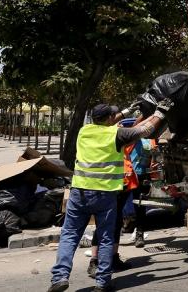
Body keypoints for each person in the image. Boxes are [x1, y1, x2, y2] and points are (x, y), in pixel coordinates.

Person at [48, 100, 171, 292]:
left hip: (78, 193)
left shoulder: (84, 131)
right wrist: (161, 112)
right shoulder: (117, 134)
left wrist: (126, 111)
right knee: (106, 237)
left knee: (69, 235)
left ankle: (60, 277)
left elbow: (108, 121)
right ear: (110, 119)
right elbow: (145, 130)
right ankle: (102, 282)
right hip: (104, 196)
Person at [86, 132, 157, 277]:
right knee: (104, 221)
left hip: (125, 183)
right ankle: (95, 261)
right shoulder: (110, 137)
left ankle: (113, 257)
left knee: (117, 221)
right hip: (111, 185)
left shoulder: (133, 140)